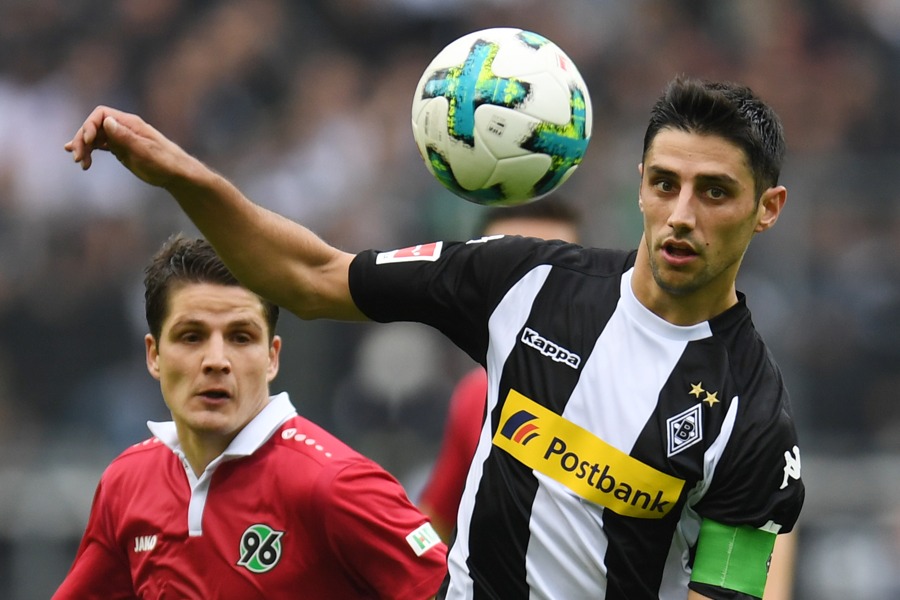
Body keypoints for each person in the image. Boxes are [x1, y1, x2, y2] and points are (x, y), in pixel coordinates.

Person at [66, 75, 805, 599]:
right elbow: (311, 276)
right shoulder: (528, 280)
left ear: (766, 208)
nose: (681, 214)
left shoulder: (756, 414)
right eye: (666, 183)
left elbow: (730, 594)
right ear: (640, 180)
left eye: (714, 193)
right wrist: (182, 178)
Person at [52, 236, 447, 600]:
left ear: (272, 356)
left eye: (241, 337)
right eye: (192, 336)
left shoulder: (333, 484)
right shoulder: (128, 482)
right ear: (154, 355)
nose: (217, 361)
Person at [417, 200, 584, 541]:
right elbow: (432, 524)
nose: (535, 293)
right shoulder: (476, 393)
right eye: (510, 274)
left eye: (558, 271)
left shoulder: (647, 393)